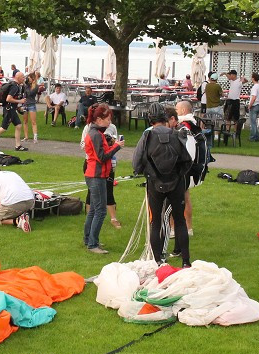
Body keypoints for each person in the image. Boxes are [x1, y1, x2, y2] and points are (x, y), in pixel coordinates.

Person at [132, 102, 192, 267]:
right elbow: (187, 161)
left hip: (154, 184)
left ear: (150, 119)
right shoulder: (176, 134)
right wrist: (178, 176)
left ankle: (158, 261)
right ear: (165, 117)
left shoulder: (147, 136)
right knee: (179, 221)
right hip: (176, 184)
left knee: (155, 222)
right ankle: (186, 261)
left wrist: (148, 173)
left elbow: (136, 163)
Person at [81, 104, 123, 254]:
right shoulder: (96, 135)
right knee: (100, 211)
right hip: (96, 175)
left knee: (93, 209)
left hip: (94, 174)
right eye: (108, 119)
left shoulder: (95, 132)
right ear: (99, 119)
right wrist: (117, 146)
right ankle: (93, 244)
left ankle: (88, 239)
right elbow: (102, 157)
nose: (110, 122)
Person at [175, 100, 209, 237]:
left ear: (183, 111)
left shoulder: (184, 127)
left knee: (177, 199)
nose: (175, 112)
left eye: (177, 110)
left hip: (184, 166)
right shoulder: (194, 124)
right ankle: (188, 228)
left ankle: (175, 228)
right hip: (192, 166)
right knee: (186, 196)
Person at [0, 71, 28, 151]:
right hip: (9, 109)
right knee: (3, 128)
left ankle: (18, 146)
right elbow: (8, 99)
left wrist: (18, 107)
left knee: (18, 125)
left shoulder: (14, 85)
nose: (24, 79)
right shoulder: (15, 87)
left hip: (11, 109)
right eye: (22, 77)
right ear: (17, 77)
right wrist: (20, 101)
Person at [22, 71, 43, 143]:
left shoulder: (36, 86)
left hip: (31, 104)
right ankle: (26, 137)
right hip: (25, 104)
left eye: (29, 78)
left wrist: (26, 85)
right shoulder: (26, 85)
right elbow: (24, 93)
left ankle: (35, 137)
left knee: (33, 122)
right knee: (25, 121)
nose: (28, 79)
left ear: (32, 79)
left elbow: (30, 93)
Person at [247, 72, 259, 142]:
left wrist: (249, 105)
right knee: (254, 122)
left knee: (253, 122)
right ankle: (257, 136)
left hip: (254, 105)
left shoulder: (254, 87)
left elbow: (254, 97)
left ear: (253, 78)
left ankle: (253, 137)